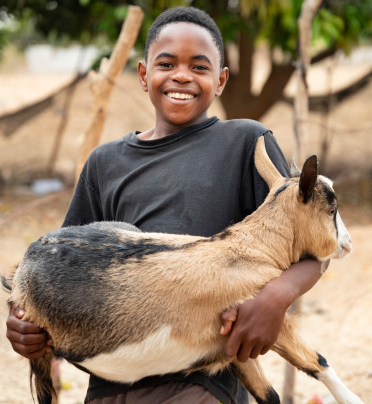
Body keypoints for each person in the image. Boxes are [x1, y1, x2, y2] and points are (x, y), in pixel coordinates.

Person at [6, 6, 326, 404]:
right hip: (110, 378)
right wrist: (25, 323)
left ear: (221, 80)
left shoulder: (248, 144)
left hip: (204, 381)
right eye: (167, 63)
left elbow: (316, 248)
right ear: (144, 75)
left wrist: (275, 298)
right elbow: (63, 269)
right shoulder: (104, 164)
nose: (181, 76)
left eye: (199, 67)